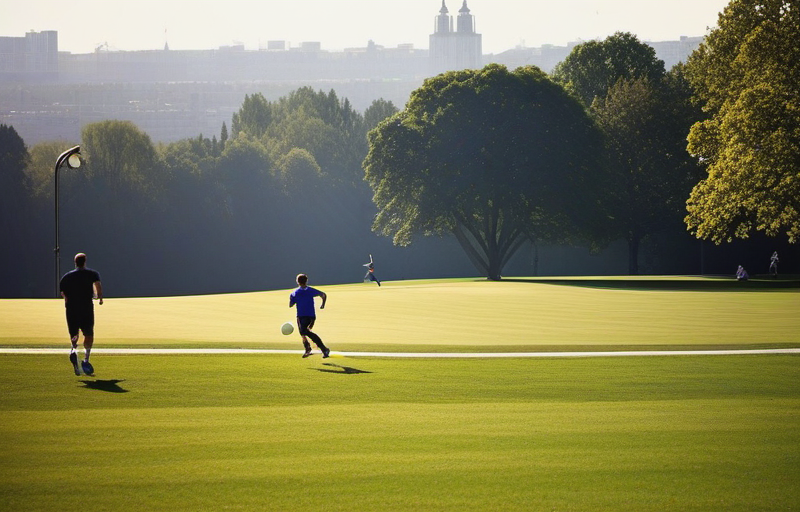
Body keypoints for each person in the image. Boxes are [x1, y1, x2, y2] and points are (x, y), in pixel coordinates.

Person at [59, 252, 103, 375]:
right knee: (88, 333)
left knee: (74, 334)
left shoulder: (67, 277)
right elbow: (98, 286)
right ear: (85, 261)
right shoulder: (92, 274)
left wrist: (68, 300)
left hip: (72, 309)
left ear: (75, 262)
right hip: (86, 308)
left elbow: (63, 293)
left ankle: (73, 350)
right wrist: (100, 298)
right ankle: (86, 359)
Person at [289, 274, 330, 358]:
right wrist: (323, 305)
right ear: (306, 281)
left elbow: (291, 304)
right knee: (303, 333)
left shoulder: (295, 293)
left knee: (304, 331)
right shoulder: (310, 290)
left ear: (297, 281)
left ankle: (324, 349)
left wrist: (293, 301)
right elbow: (323, 295)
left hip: (303, 316)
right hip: (310, 316)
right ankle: (308, 349)